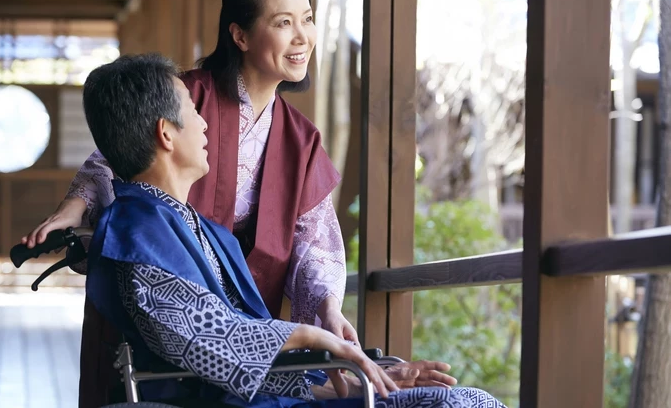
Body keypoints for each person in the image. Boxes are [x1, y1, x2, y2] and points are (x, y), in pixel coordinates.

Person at [82, 53, 506, 407]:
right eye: (193, 113)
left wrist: (362, 379)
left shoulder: (198, 228)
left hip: (267, 396)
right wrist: (316, 339)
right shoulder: (138, 234)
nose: (207, 123)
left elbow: (245, 361)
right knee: (464, 403)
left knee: (464, 400)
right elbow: (210, 344)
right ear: (166, 134)